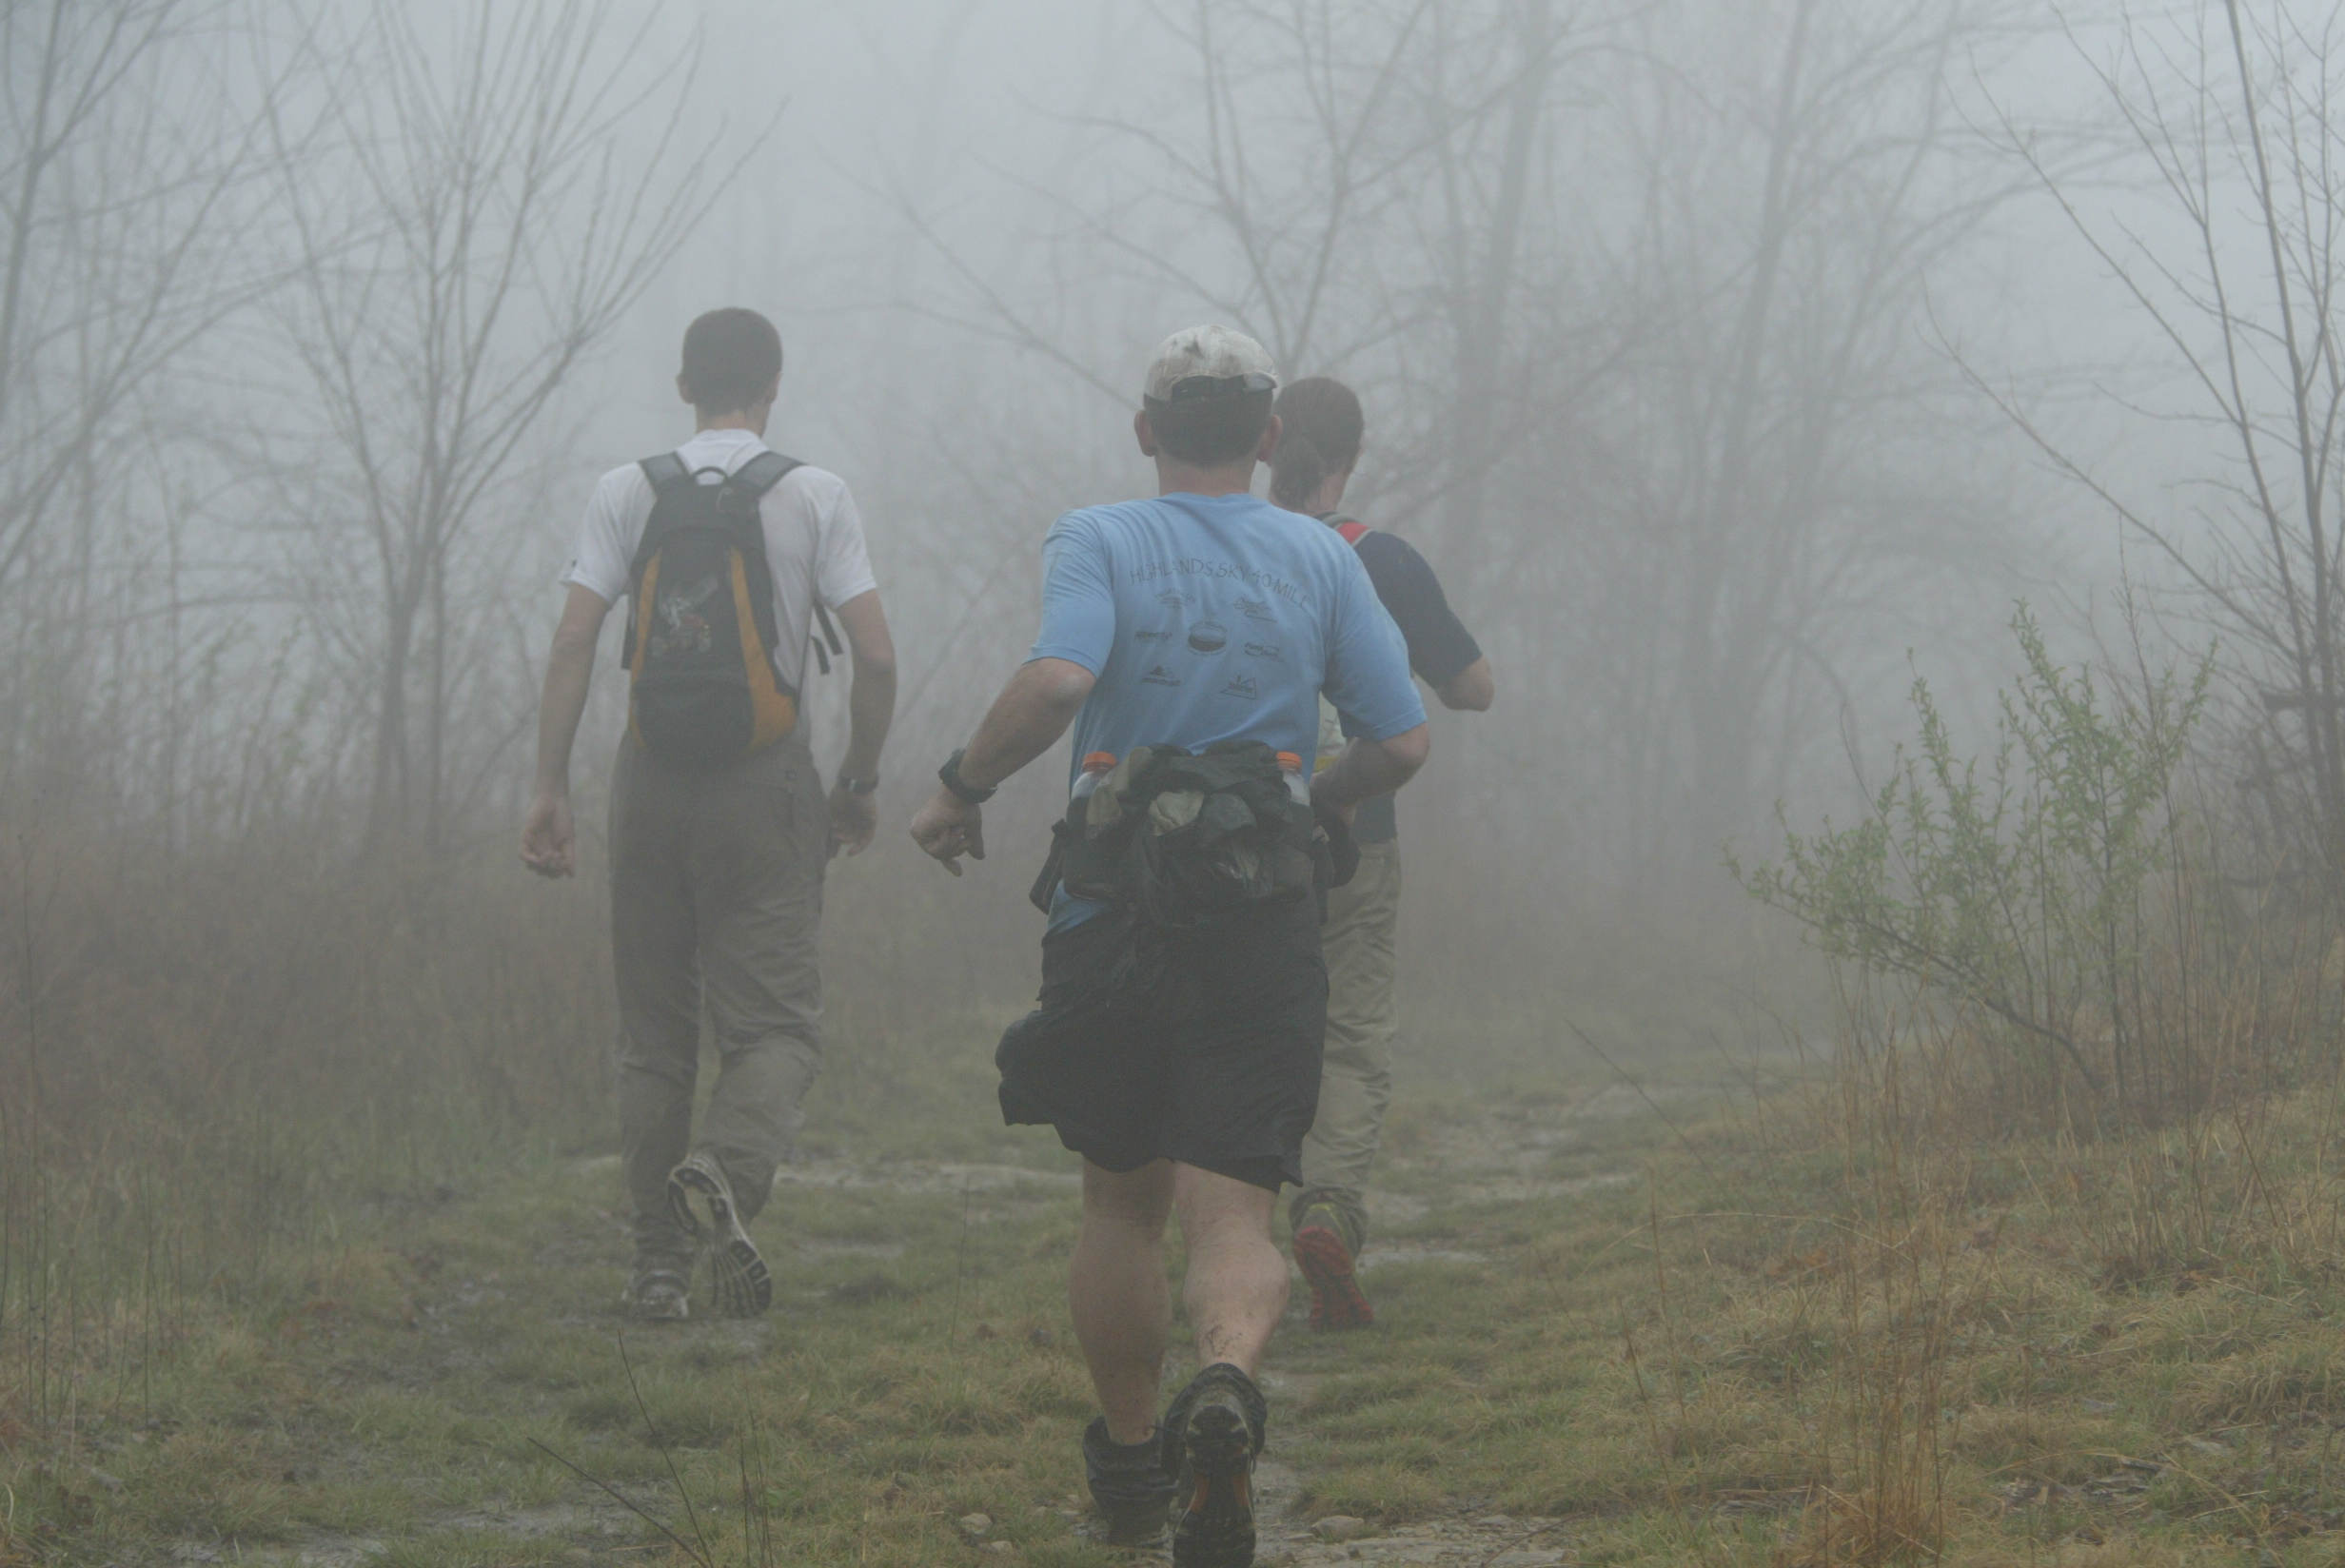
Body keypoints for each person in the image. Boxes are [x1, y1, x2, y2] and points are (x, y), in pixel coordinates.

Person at [909, 326, 1429, 1568]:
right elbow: (1404, 741)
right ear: (1265, 438)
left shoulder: (1100, 537)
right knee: (1238, 1209)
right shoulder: (1319, 556)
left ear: (1146, 433)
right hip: (1261, 913)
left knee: (1121, 1198)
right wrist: (1321, 799)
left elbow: (1050, 687)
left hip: (1113, 909)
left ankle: (1137, 1461)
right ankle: (1229, 1384)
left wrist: (958, 788)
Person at [522, 307, 897, 1323]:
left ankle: (656, 1265)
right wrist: (858, 780)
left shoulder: (626, 490)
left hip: (646, 783)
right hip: (763, 786)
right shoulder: (813, 495)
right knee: (774, 1027)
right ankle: (723, 1179)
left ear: (684, 384)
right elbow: (873, 656)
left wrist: (550, 785)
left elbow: (571, 645)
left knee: (654, 1038)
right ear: (771, 384)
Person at [1268, 376, 1495, 1332]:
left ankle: (1228, 1232)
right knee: (1351, 1038)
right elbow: (1472, 689)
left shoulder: (1229, 549)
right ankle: (1327, 1209)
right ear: (1351, 460)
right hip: (1353, 835)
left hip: (1233, 838)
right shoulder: (1381, 561)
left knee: (1245, 1030)